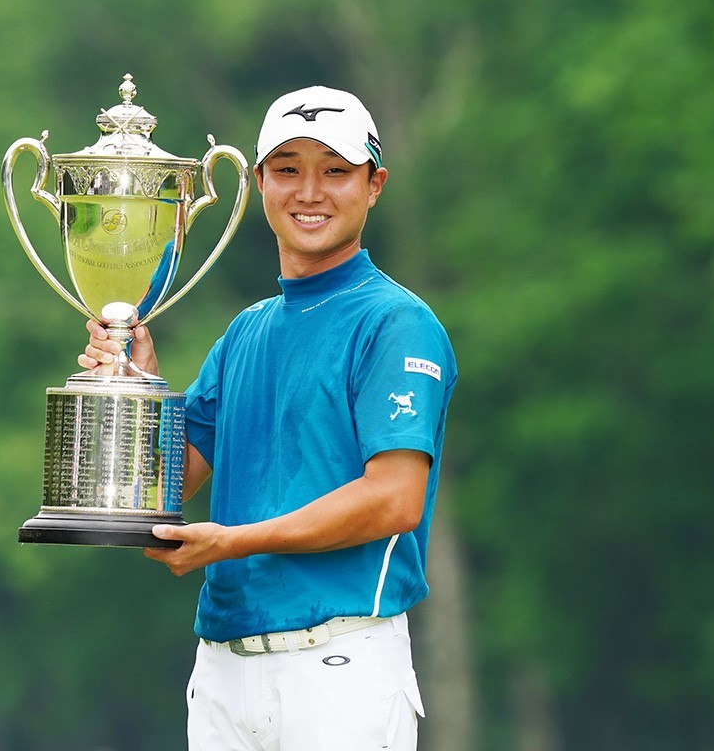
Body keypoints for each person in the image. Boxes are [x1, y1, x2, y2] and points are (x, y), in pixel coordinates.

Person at [79, 85, 457, 750]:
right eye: (288, 169)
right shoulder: (246, 333)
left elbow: (395, 499)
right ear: (259, 183)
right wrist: (132, 383)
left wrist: (236, 540)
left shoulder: (396, 324)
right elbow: (166, 490)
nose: (310, 191)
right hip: (224, 672)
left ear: (374, 184)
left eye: (335, 171)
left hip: (339, 663)